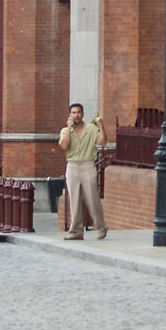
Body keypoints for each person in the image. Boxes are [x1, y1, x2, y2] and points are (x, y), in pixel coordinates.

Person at [57, 102, 106, 240]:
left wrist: (101, 126)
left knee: (92, 198)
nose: (76, 115)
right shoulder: (65, 130)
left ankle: (101, 226)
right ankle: (76, 231)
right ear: (70, 115)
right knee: (74, 199)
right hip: (72, 165)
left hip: (88, 164)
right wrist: (69, 127)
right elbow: (64, 145)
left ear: (83, 114)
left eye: (78, 112)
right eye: (73, 113)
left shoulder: (91, 128)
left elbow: (102, 142)